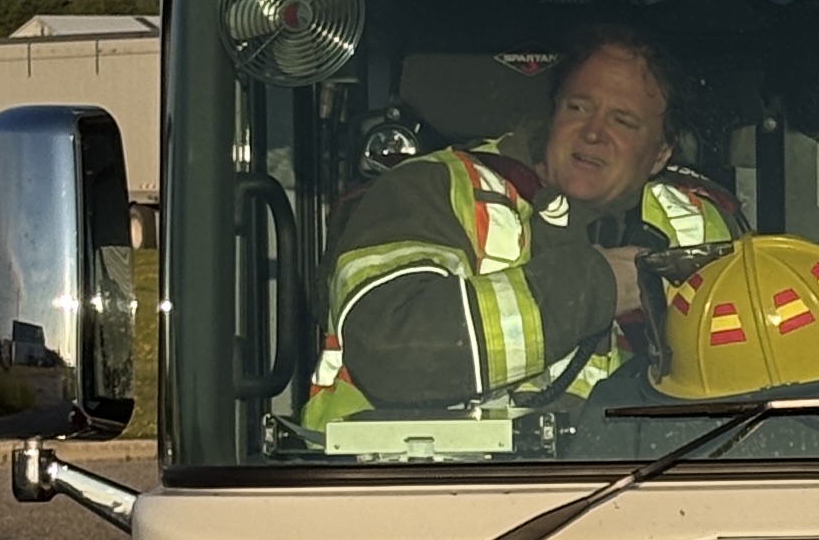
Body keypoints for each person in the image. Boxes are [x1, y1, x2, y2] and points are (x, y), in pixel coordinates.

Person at [304, 28, 740, 428]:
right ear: (553, 115)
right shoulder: (432, 188)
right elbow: (393, 351)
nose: (592, 133)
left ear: (662, 153)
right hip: (406, 494)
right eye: (578, 108)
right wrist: (596, 285)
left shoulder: (699, 224)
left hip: (653, 489)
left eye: (622, 121)